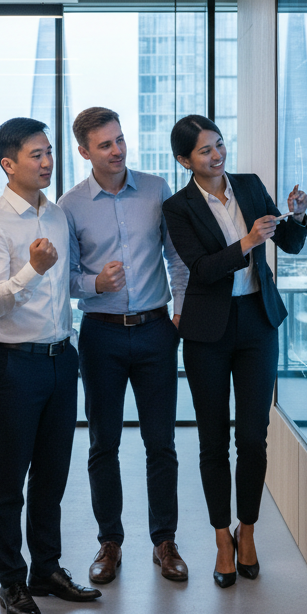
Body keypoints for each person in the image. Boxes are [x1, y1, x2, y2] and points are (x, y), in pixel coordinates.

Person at [162, 114, 307, 586]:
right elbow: (201, 269)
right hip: (207, 331)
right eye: (205, 151)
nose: (217, 155)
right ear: (185, 160)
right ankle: (222, 537)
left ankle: (248, 530)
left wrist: (298, 215)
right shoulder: (177, 207)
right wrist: (247, 242)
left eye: (220, 145)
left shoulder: (248, 185)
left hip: (257, 323)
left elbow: (286, 243)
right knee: (212, 441)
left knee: (252, 437)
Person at [0, 117, 101, 614]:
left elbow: (66, 286)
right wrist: (32, 270)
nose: (47, 162)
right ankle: (11, 583)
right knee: (10, 479)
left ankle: (46, 569)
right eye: (36, 155)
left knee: (52, 475)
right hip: (14, 365)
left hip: (61, 358)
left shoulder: (58, 216)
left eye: (49, 153)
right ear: (9, 164)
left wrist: (97, 285)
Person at [59, 106, 190, 584]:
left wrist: (179, 313)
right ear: (84, 152)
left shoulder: (156, 189)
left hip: (157, 329)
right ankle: (109, 542)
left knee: (162, 442)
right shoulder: (70, 205)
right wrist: (96, 281)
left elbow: (178, 258)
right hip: (101, 333)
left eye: (119, 140)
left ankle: (165, 541)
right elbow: (66, 279)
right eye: (104, 145)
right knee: (103, 443)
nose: (117, 151)